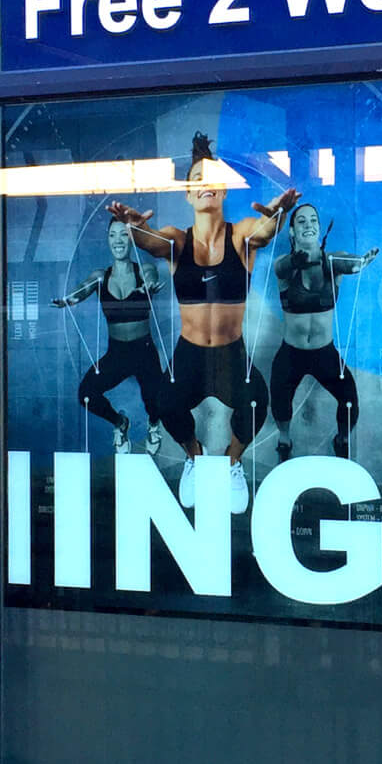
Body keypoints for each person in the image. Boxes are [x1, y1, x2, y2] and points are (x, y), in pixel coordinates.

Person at [107, 130, 298, 515]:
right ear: (189, 195)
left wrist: (277, 215)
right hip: (190, 352)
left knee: (256, 403)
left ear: (223, 190)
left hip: (230, 353)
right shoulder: (178, 241)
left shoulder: (240, 235)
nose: (206, 184)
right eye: (197, 179)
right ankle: (195, 459)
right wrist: (133, 227)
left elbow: (264, 232)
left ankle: (229, 464)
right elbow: (150, 240)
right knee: (164, 402)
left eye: (212, 179)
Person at [267, 202, 377, 459]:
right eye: (301, 221)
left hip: (324, 353)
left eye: (313, 220)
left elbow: (349, 264)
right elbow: (281, 268)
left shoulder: (333, 260)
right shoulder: (284, 265)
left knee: (349, 401)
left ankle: (342, 440)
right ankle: (284, 440)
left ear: (319, 227)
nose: (309, 225)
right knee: (280, 402)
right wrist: (296, 260)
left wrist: (360, 263)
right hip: (291, 353)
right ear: (292, 231)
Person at [53, 213, 168, 454]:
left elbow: (151, 276)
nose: (118, 240)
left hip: (144, 351)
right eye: (113, 235)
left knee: (157, 402)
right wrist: (69, 300)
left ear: (132, 239)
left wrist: (149, 285)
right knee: (86, 394)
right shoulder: (100, 276)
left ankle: (153, 424)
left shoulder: (143, 269)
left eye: (124, 235)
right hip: (117, 353)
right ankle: (119, 422)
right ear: (107, 239)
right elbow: (81, 290)